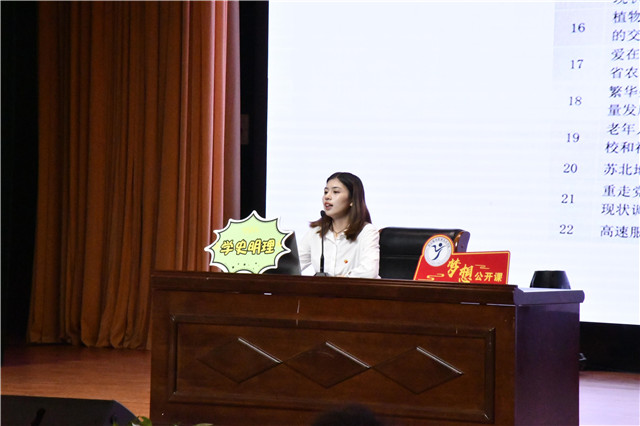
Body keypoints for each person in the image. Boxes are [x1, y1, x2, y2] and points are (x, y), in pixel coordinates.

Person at [299, 172, 379, 278]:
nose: (327, 197)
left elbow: (369, 271)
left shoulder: (366, 231)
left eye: (335, 192)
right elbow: (292, 265)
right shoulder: (316, 232)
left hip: (355, 289)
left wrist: (344, 279)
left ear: (352, 200)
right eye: (326, 192)